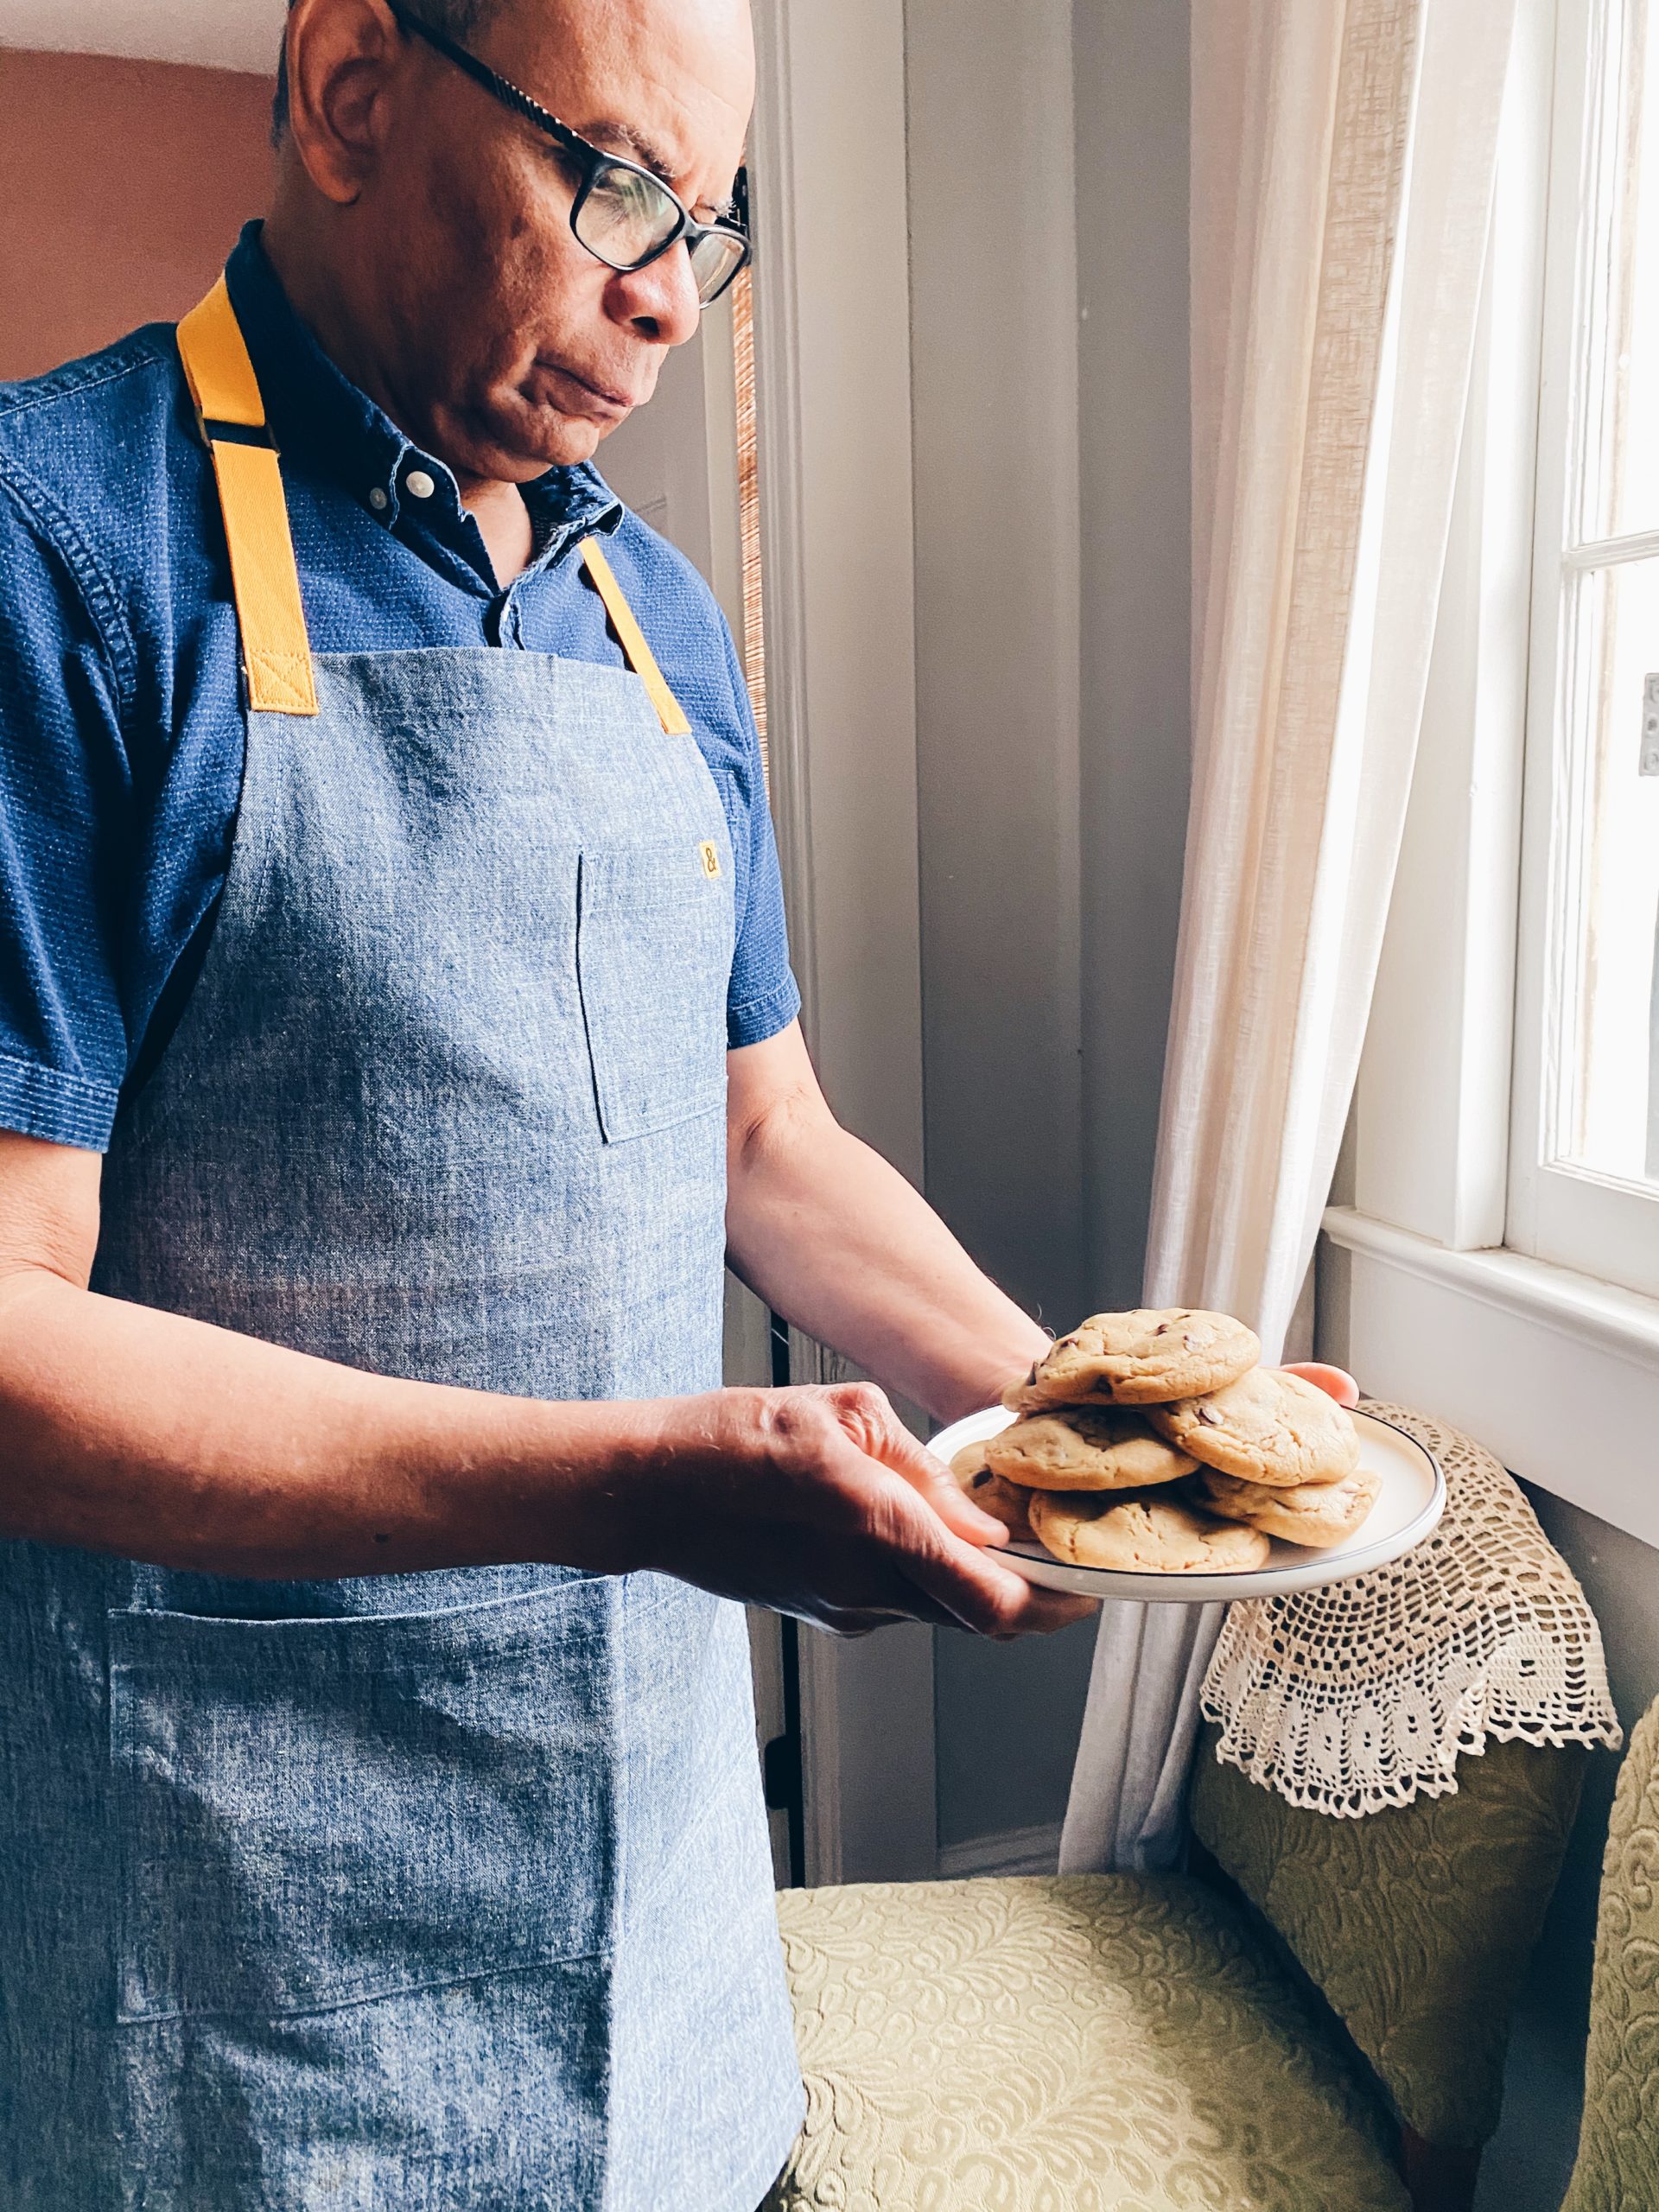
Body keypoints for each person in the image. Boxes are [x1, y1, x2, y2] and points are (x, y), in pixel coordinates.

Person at [0, 1, 1094, 2203]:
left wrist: (1086, 1420)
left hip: (664, 1960)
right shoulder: (60, 552)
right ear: (348, 89)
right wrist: (626, 1488)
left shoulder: (655, 618)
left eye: (710, 223)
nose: (672, 295)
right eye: (612, 186)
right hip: (242, 1999)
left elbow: (766, 1141)